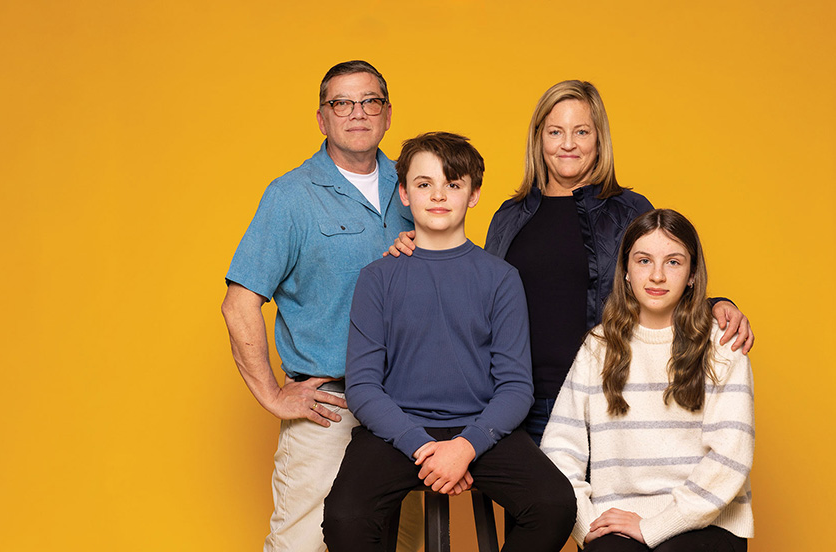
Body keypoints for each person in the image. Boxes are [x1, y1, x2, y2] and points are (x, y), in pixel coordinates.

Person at [390, 80, 754, 445]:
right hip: (519, 403)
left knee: (608, 503)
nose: (568, 144)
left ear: (599, 139)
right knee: (537, 503)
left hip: (606, 396)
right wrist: (422, 246)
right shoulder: (509, 217)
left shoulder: (629, 210)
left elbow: (660, 280)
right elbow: (476, 298)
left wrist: (715, 305)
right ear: (539, 138)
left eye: (581, 131)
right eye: (555, 131)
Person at [323, 132, 575, 552]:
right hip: (396, 430)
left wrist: (465, 446)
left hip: (481, 427)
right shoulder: (377, 279)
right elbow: (363, 387)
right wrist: (421, 445)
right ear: (404, 193)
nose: (438, 195)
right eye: (424, 184)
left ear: (473, 194)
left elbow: (516, 387)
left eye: (453, 184)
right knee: (344, 517)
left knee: (553, 505)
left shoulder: (500, 278)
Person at [221, 60, 420, 552]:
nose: (357, 113)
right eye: (341, 103)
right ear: (322, 117)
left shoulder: (417, 185)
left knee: (406, 542)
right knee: (303, 543)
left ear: (388, 114)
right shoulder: (291, 196)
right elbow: (238, 303)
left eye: (369, 101)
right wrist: (271, 394)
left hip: (408, 406)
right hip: (331, 405)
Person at [541, 208, 754, 551]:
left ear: (692, 275)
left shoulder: (723, 344)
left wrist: (655, 526)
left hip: (708, 520)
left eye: (673, 262)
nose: (656, 275)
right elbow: (560, 448)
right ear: (625, 271)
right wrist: (586, 523)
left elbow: (730, 458)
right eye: (643, 261)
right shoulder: (598, 347)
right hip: (617, 519)